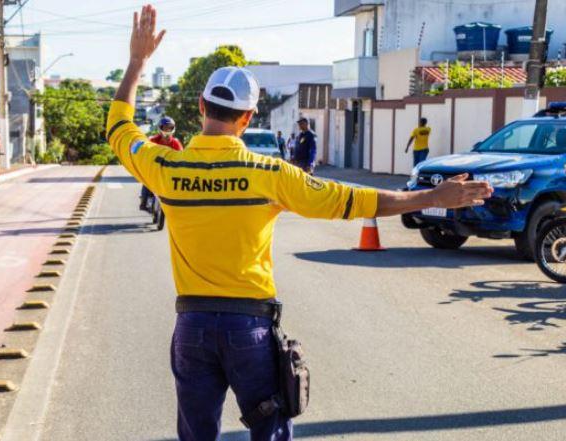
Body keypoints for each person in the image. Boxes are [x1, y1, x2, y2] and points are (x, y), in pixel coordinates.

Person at [106, 6, 493, 441]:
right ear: (249, 117)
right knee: (270, 432)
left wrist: (138, 62)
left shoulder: (165, 166)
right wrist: (432, 197)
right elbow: (350, 200)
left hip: (191, 327)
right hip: (249, 330)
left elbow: (119, 128)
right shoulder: (270, 175)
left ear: (200, 107)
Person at [140, 116, 183, 211]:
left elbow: (181, 156)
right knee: (146, 182)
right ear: (160, 128)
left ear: (173, 128)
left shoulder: (176, 143)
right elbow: (145, 150)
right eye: (165, 127)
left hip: (168, 170)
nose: (167, 130)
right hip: (154, 169)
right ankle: (143, 201)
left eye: (170, 127)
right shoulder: (153, 140)